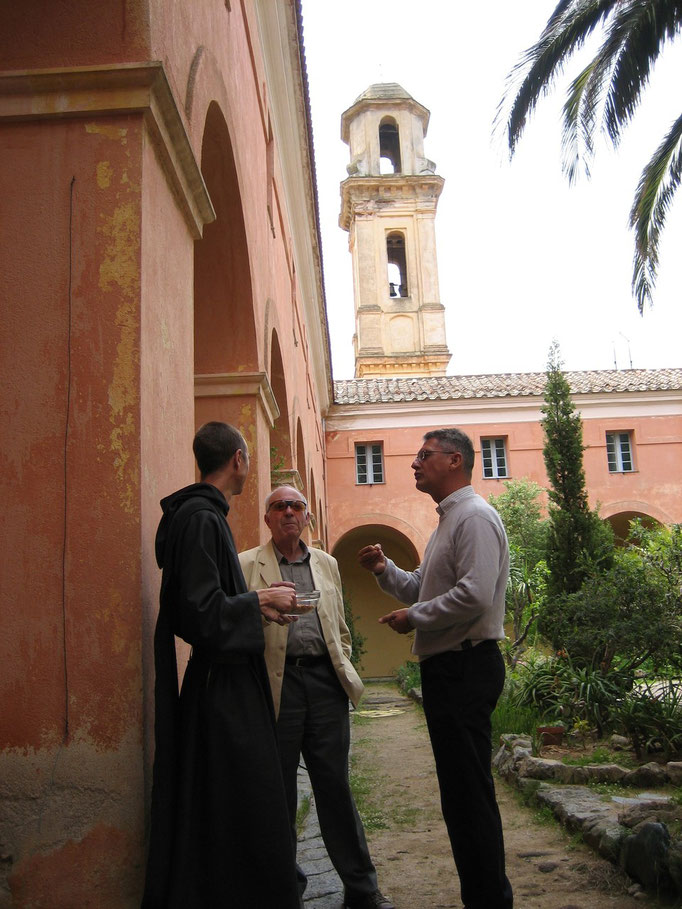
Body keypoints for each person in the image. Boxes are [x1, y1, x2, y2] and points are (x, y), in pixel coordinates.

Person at [142, 422, 301, 909]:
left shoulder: (204, 517)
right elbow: (199, 613)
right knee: (247, 805)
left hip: (224, 685)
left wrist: (257, 606)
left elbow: (208, 606)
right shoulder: (202, 519)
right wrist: (257, 600)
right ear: (238, 459)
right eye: (249, 459)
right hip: (222, 692)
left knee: (235, 802)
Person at [358, 429, 513, 909]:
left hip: (466, 667)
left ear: (455, 460)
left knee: (469, 796)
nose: (414, 464)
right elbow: (421, 587)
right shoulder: (448, 522)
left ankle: (489, 900)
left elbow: (475, 594)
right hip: (451, 669)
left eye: (424, 455)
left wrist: (415, 619)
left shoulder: (474, 517)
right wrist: (385, 572)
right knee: (460, 796)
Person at [239, 484, 395, 909]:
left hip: (325, 685)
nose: (288, 511)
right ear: (268, 518)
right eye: (279, 506)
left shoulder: (326, 563)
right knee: (278, 792)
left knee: (335, 788)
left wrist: (341, 658)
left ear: (307, 516)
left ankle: (362, 890)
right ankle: (284, 890)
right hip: (279, 684)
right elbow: (240, 623)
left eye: (296, 506)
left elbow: (339, 625)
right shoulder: (246, 564)